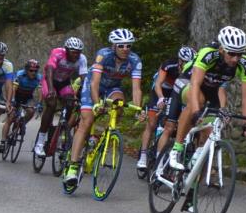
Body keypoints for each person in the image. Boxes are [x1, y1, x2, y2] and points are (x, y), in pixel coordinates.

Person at [63, 29, 143, 188]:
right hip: (93, 86)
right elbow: (94, 83)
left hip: (112, 88)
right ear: (113, 46)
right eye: (121, 45)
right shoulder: (103, 55)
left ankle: (103, 135)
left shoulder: (135, 60)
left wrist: (138, 110)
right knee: (87, 121)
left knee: (119, 105)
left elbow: (136, 88)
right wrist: (97, 103)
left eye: (128, 45)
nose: (125, 49)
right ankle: (73, 167)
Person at [168, 26, 246, 171]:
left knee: (211, 131)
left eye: (240, 54)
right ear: (221, 49)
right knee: (198, 101)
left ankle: (195, 163)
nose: (236, 59)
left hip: (212, 90)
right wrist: (196, 112)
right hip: (188, 82)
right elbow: (195, 84)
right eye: (232, 53)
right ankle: (176, 149)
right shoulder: (208, 53)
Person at [136, 46, 197, 169]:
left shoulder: (193, 70)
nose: (187, 65)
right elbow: (158, 84)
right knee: (152, 123)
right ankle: (143, 155)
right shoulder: (169, 64)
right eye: (184, 62)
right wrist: (160, 98)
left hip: (177, 93)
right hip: (161, 90)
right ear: (180, 61)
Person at [33, 37, 88, 157]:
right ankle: (40, 142)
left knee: (71, 103)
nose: (76, 55)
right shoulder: (57, 52)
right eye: (73, 52)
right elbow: (49, 70)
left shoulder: (82, 59)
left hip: (64, 83)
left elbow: (84, 78)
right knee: (51, 104)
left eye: (78, 52)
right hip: (50, 80)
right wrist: (51, 89)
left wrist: (86, 94)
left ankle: (62, 131)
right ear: (66, 50)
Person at [0, 59, 42, 153]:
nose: (33, 73)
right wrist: (12, 100)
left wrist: (40, 103)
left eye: (35, 71)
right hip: (17, 96)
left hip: (28, 97)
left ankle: (22, 124)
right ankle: (3, 141)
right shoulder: (20, 75)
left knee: (31, 111)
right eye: (31, 70)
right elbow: (13, 88)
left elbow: (40, 91)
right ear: (26, 70)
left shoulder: (39, 78)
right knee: (11, 117)